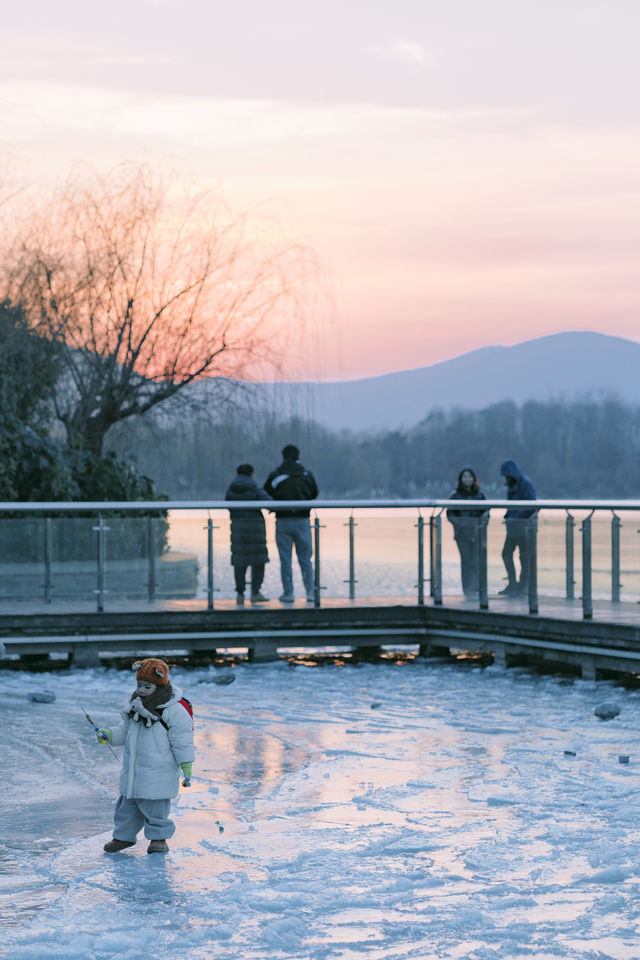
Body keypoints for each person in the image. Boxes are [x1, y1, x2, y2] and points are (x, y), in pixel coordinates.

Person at [95, 658, 195, 855]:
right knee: (126, 809)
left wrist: (186, 765)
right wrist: (110, 735)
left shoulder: (174, 711)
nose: (141, 690)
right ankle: (123, 838)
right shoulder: (136, 706)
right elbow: (126, 730)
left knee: (156, 810)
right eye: (139, 685)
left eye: (147, 686)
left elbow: (183, 740)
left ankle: (159, 840)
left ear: (159, 685)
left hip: (159, 772)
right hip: (134, 771)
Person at [264, 443, 319, 603]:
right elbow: (315, 492)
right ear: (298, 456)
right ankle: (310, 591)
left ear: (283, 456)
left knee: (285, 559)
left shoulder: (276, 474)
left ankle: (288, 593)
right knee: (305, 559)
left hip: (283, 520)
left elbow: (266, 492)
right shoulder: (307, 474)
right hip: (302, 520)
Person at [225, 463, 272, 605]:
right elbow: (270, 502)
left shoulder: (231, 490)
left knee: (240, 561)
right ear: (252, 474)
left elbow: (228, 505)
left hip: (238, 529)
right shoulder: (254, 488)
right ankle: (255, 593)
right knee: (258, 561)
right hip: (255, 530)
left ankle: (240, 594)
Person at [446, 468, 487, 599]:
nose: (467, 479)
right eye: (464, 477)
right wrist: (460, 524)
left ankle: (477, 588)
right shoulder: (455, 496)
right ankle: (467, 590)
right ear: (461, 479)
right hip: (462, 535)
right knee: (466, 561)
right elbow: (450, 514)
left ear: (474, 479)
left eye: (469, 476)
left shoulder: (480, 496)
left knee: (476, 561)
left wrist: (480, 525)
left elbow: (486, 513)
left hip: (476, 533)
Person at [499, 458, 537, 597]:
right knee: (506, 554)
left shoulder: (526, 484)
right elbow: (511, 505)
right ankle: (513, 584)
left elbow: (531, 505)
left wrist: (516, 517)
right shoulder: (511, 485)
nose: (506, 478)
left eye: (507, 475)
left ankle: (523, 586)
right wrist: (508, 516)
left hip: (524, 527)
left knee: (524, 557)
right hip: (513, 527)